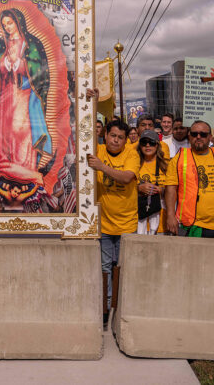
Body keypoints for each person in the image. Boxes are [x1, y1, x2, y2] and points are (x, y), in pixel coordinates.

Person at [0, 8, 54, 209]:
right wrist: (2, 64)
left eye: (10, 23)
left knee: (21, 131)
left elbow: (41, 69)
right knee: (3, 132)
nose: (7, 27)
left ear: (18, 22)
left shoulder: (32, 44)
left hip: (23, 94)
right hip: (3, 97)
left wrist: (23, 65)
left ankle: (24, 169)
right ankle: (4, 166)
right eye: (4, 24)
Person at [87, 119, 139, 325]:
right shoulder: (97, 149)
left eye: (120, 138)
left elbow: (126, 177)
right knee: (105, 268)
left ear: (126, 140)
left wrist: (101, 167)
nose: (116, 140)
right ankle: (106, 309)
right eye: (113, 136)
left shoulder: (132, 155)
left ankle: (122, 308)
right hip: (104, 224)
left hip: (127, 223)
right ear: (105, 135)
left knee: (123, 268)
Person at [163, 120, 214, 238]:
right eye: (194, 134)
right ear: (189, 136)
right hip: (192, 225)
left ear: (210, 137)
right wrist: (170, 216)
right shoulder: (179, 158)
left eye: (203, 134)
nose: (198, 137)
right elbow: (170, 189)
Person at [136, 129, 167, 235]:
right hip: (137, 220)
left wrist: (161, 190)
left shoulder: (165, 166)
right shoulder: (134, 163)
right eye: (144, 142)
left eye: (152, 142)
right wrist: (138, 188)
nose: (148, 145)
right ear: (140, 145)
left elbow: (175, 191)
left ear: (157, 145)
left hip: (161, 224)